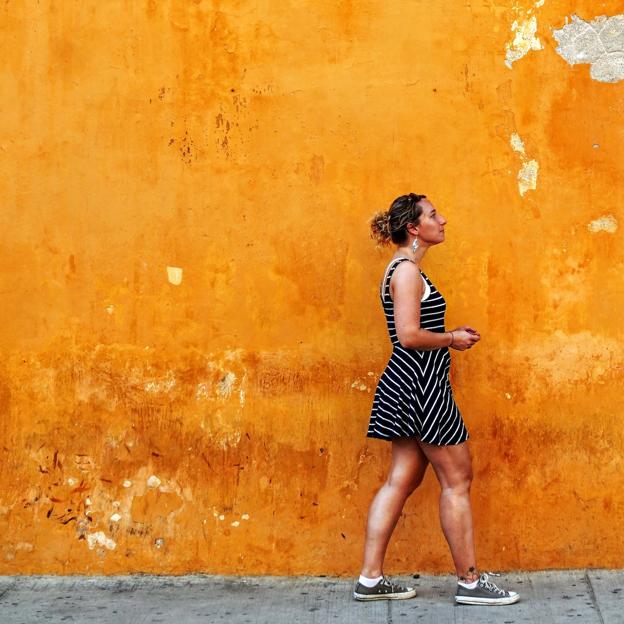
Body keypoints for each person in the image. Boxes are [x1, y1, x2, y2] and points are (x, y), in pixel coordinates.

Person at [353, 193, 519, 606]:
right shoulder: (407, 272)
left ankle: (370, 580)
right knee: (458, 479)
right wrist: (452, 339)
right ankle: (470, 582)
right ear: (414, 227)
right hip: (422, 385)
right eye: (433, 215)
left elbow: (412, 328)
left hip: (409, 382)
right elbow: (409, 336)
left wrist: (447, 334)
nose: (442, 220)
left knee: (402, 479)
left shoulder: (403, 269)